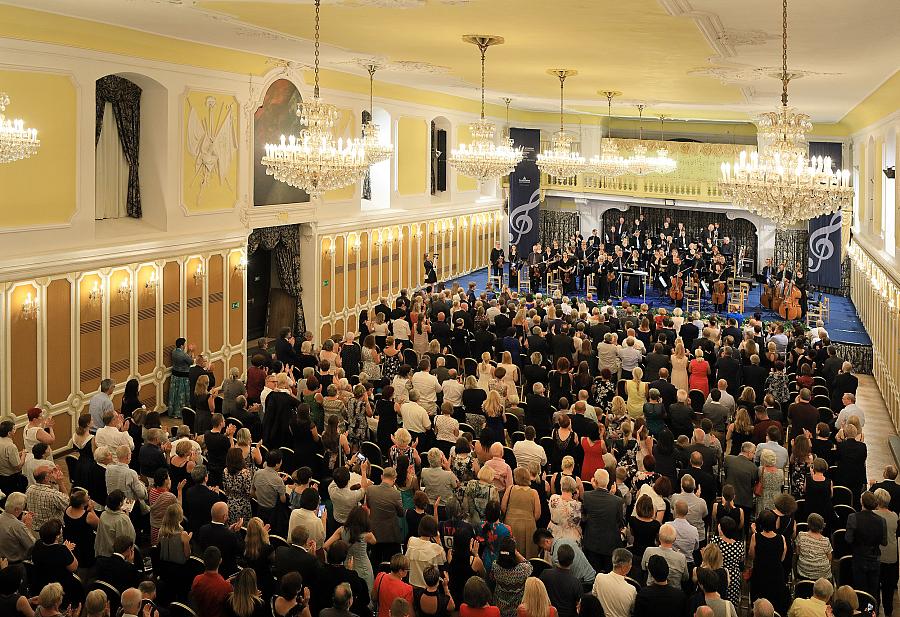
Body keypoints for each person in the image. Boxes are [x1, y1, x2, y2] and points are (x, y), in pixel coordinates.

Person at [845, 491, 887, 600]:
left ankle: (862, 611)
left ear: (861, 502)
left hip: (859, 558)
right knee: (873, 589)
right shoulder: (881, 520)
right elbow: (884, 542)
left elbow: (848, 539)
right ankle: (871, 611)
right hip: (875, 558)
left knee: (860, 589)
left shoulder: (853, 517)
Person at [582, 468, 625, 572]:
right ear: (608, 482)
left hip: (592, 544)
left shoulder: (587, 496)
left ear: (595, 482)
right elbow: (620, 522)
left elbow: (584, 518)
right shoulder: (617, 501)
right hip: (609, 545)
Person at [749, 510, 788, 616]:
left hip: (760, 574)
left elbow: (752, 555)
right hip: (776, 574)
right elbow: (782, 558)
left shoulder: (755, 537)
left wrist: (755, 532)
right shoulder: (781, 538)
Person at [492, 536, 533, 617]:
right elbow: (530, 566)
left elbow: (492, 578)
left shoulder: (495, 566)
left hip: (499, 607)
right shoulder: (523, 569)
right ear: (514, 552)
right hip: (516, 609)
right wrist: (517, 554)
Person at [538, 542, 582, 617]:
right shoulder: (576, 582)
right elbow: (579, 606)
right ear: (572, 561)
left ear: (557, 558)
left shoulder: (545, 574)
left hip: (548, 614)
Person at [874, 487, 899, 614]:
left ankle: (873, 611)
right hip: (891, 557)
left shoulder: (874, 515)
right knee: (888, 589)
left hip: (876, 557)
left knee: (874, 589)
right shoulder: (894, 516)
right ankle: (889, 611)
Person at [591, 548, 636, 617]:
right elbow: (633, 610)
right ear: (624, 567)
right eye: (630, 564)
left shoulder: (599, 578)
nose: (631, 566)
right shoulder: (631, 589)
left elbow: (594, 596)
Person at [641, 524, 688, 590]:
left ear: (659, 538)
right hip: (674, 592)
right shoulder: (681, 557)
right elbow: (685, 578)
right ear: (674, 539)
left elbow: (643, 568)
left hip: (651, 588)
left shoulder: (649, 551)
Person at [192, 546, 234, 617]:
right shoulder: (227, 587)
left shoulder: (197, 579)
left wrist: (224, 583)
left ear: (204, 561)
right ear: (220, 561)